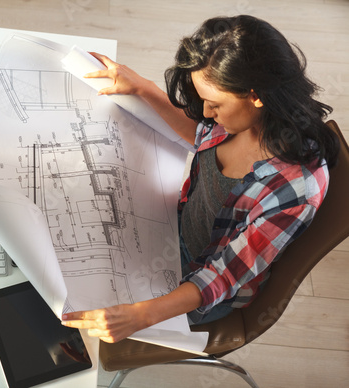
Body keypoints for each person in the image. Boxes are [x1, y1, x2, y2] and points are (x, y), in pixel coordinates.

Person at [61, 15, 340, 343]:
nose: (207, 113)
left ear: (256, 95)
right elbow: (200, 133)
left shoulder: (297, 187)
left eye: (214, 103)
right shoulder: (242, 118)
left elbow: (222, 276)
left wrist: (140, 316)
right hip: (171, 227)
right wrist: (142, 88)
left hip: (201, 284)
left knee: (77, 297)